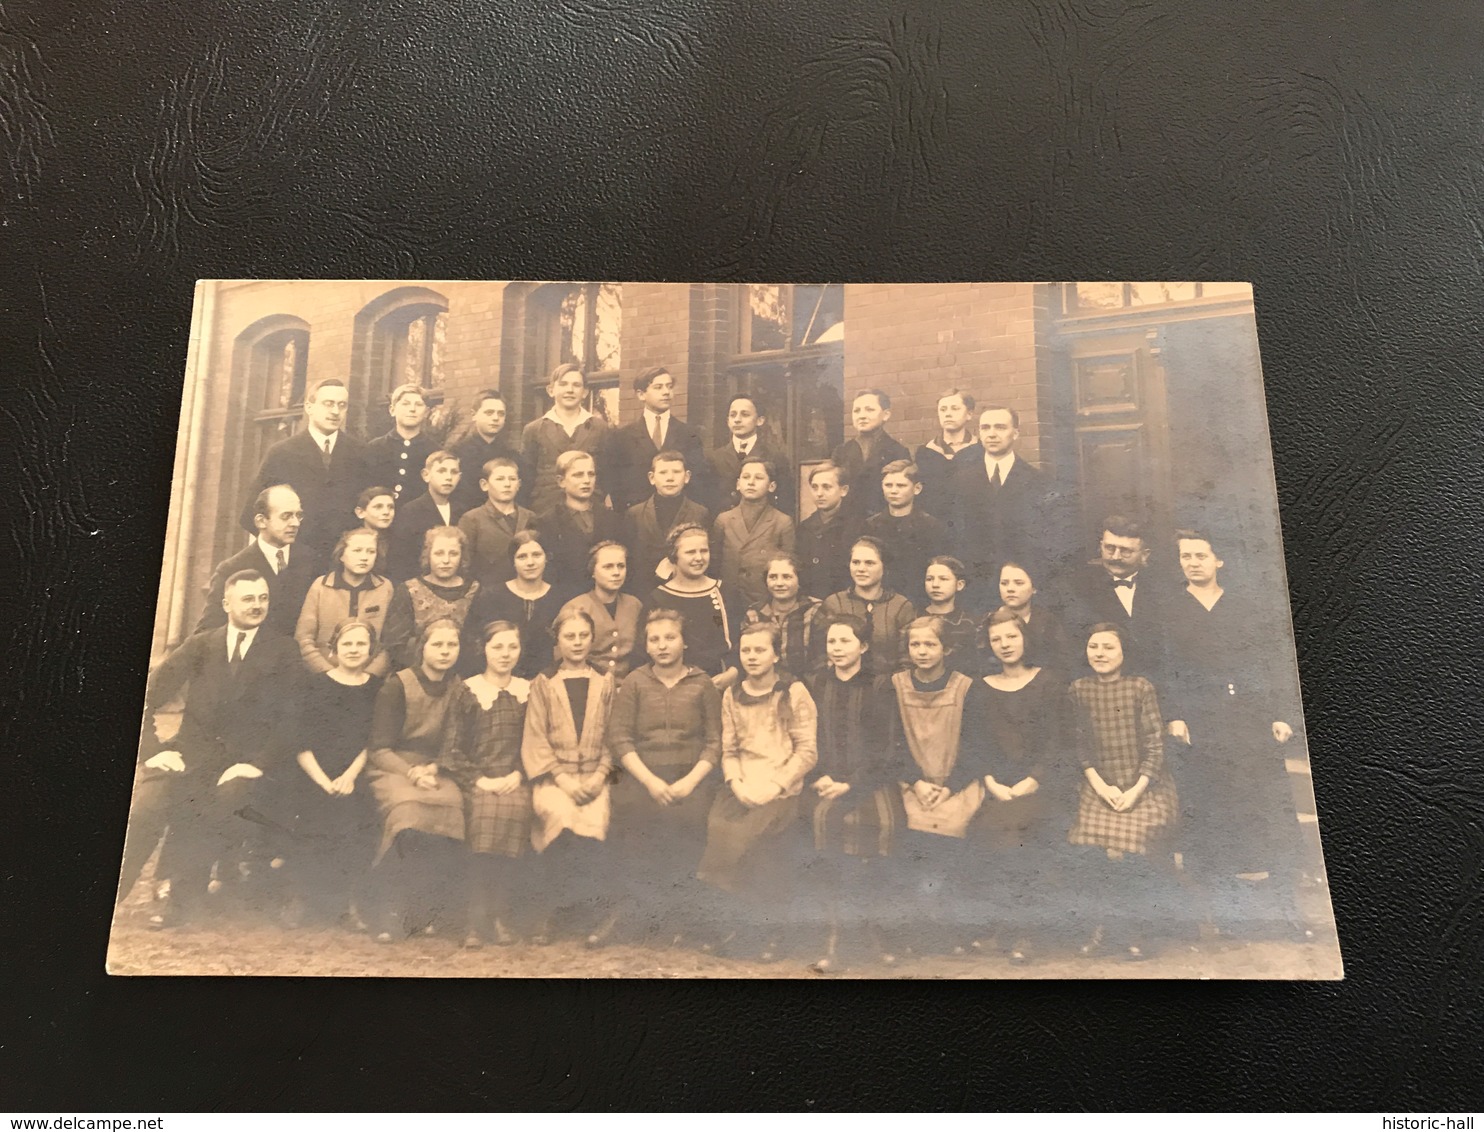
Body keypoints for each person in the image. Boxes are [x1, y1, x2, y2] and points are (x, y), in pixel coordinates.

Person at [123, 570, 301, 928]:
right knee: (145, 809)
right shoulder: (201, 644)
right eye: (248, 598)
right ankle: (108, 894)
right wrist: (153, 749)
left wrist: (258, 763)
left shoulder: (283, 650)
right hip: (188, 756)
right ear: (226, 604)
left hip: (244, 763)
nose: (256, 606)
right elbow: (146, 696)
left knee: (211, 805)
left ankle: (180, 899)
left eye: (262, 598)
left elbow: (293, 719)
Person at [1160, 530, 1308, 941]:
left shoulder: (1244, 606)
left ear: (1218, 561)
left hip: (1249, 717)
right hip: (1201, 724)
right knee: (1213, 815)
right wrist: (1174, 716)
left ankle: (1285, 909)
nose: (1192, 562)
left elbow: (1269, 656)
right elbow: (1165, 664)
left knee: (1268, 809)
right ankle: (1226, 915)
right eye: (1185, 556)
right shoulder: (1170, 609)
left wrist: (1279, 714)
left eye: (1201, 555)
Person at [698, 622, 818, 961]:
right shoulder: (731, 694)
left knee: (762, 842)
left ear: (776, 654)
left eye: (760, 650)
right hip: (742, 783)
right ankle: (739, 926)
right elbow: (730, 749)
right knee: (721, 828)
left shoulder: (793, 691)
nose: (752, 657)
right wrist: (736, 782)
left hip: (780, 785)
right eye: (746, 650)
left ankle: (772, 931)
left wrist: (774, 785)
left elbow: (807, 752)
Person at [606, 608, 723, 945]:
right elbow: (620, 738)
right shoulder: (635, 682)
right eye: (654, 639)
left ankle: (680, 918)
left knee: (690, 823)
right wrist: (650, 781)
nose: (662, 645)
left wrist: (689, 781)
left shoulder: (702, 684)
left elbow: (714, 742)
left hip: (691, 775)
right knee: (634, 820)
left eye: (670, 637)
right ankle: (638, 916)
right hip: (644, 773)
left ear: (684, 642)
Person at [1066, 622, 1180, 961]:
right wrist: (1101, 787)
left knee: (1133, 845)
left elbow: (1155, 745)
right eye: (1093, 647)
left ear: (1123, 652)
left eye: (1108, 647)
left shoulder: (1140, 687)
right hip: (1098, 785)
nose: (1099, 654)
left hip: (1146, 785)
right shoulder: (1079, 689)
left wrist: (1136, 789)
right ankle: (1102, 926)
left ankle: (1136, 929)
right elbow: (1078, 746)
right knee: (1091, 844)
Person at [804, 613, 906, 972]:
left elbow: (886, 746)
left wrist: (852, 783)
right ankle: (834, 937)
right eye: (831, 641)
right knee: (822, 822)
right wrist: (820, 776)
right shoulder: (816, 681)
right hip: (825, 779)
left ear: (863, 646)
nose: (836, 648)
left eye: (845, 641)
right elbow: (806, 736)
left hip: (869, 780)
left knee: (882, 827)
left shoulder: (880, 685)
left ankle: (871, 931)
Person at [891, 616, 996, 954]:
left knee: (954, 829)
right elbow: (891, 744)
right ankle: (913, 928)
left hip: (956, 783)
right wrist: (917, 782)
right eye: (915, 644)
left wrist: (949, 786)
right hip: (911, 783)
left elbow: (977, 745)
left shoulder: (967, 687)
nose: (921, 651)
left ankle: (953, 928)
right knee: (905, 828)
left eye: (930, 644)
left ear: (946, 648)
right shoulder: (894, 685)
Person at [974, 608, 1072, 964]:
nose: (1004, 645)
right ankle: (1011, 921)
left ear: (1025, 638)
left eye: (1011, 637)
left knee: (1022, 831)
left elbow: (1059, 742)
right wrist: (990, 781)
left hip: (1042, 785)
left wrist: (1035, 779)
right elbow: (977, 743)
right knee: (992, 830)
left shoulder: (1049, 682)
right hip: (999, 787)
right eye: (996, 639)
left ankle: (1029, 930)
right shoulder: (981, 687)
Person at [365, 618, 468, 941]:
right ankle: (391, 911)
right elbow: (379, 748)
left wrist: (434, 770)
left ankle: (431, 911)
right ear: (422, 648)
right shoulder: (398, 684)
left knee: (451, 806)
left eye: (451, 645)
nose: (445, 651)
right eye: (437, 644)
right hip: (395, 767)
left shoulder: (460, 687)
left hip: (437, 769)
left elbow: (456, 744)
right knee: (407, 811)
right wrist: (411, 773)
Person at [522, 609, 619, 945]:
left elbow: (614, 737)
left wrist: (599, 776)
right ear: (558, 640)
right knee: (560, 818)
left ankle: (590, 914)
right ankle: (551, 912)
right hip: (555, 778)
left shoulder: (606, 682)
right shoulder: (543, 683)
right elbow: (535, 739)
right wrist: (562, 779)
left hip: (595, 776)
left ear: (592, 640)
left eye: (583, 636)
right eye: (569, 636)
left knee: (595, 823)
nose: (577, 643)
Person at [283, 618, 382, 927]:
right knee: (312, 810)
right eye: (347, 644)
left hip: (359, 772)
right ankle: (306, 900)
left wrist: (350, 776)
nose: (354, 650)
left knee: (358, 814)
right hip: (315, 772)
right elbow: (301, 742)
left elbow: (376, 741)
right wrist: (325, 781)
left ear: (371, 649)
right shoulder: (315, 684)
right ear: (334, 649)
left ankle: (348, 904)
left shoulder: (378, 688)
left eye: (361, 644)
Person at [447, 620, 532, 948]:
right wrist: (479, 779)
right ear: (483, 648)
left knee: (514, 810)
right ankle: (475, 918)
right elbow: (453, 748)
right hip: (477, 779)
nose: (505, 654)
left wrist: (518, 774)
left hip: (513, 779)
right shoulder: (467, 690)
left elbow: (537, 742)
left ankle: (499, 915)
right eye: (497, 647)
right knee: (483, 815)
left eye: (512, 646)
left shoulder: (527, 690)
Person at [239, 376, 370, 560]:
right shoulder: (282, 453)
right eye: (328, 403)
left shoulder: (360, 453)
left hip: (344, 564)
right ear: (309, 407)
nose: (335, 411)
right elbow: (252, 514)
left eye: (342, 405)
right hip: (295, 564)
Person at [950, 405, 1063, 604]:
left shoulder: (1037, 481)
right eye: (985, 428)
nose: (992, 434)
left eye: (1000, 427)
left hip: (1018, 588)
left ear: (1015, 433)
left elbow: (1043, 541)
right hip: (974, 588)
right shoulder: (961, 480)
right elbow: (956, 535)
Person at [197, 484, 316, 637]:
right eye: (286, 516)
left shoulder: (312, 561)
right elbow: (207, 631)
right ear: (261, 521)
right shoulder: (232, 569)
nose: (295, 523)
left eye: (298, 515)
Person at [1066, 515, 1169, 678]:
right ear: (1101, 546)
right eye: (1109, 548)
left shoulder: (1164, 588)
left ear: (1145, 555)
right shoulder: (1077, 588)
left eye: (1125, 551)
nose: (1115, 557)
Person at [642, 523, 742, 687]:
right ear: (674, 556)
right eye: (690, 552)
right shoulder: (659, 598)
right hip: (673, 683)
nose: (699, 558)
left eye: (704, 551)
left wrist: (733, 672)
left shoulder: (725, 592)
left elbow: (738, 640)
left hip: (718, 680)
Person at [602, 366, 709, 515]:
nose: (666, 392)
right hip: (637, 520)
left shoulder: (689, 435)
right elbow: (615, 484)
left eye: (669, 387)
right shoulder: (622, 437)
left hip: (678, 515)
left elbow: (698, 481)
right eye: (658, 387)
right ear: (641, 395)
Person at [295, 526, 394, 676]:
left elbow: (390, 643)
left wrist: (370, 674)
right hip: (325, 676)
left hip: (370, 678)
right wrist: (326, 672)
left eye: (371, 551)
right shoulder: (321, 586)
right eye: (357, 550)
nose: (364, 557)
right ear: (341, 555)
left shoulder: (384, 588)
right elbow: (303, 639)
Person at [381, 526, 482, 671]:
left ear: (462, 556)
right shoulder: (409, 590)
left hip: (463, 672)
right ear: (428, 555)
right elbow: (396, 644)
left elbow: (477, 642)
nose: (446, 560)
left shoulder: (474, 590)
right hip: (417, 672)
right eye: (439, 553)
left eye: (453, 554)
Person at [471, 529, 565, 681]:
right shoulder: (491, 597)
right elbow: (476, 645)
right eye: (522, 557)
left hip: (549, 682)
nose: (530, 563)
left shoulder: (560, 599)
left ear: (546, 557)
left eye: (536, 555)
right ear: (513, 561)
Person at [818, 536, 916, 677]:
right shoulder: (834, 603)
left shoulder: (901, 606)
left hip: (889, 688)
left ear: (884, 567)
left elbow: (907, 658)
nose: (861, 569)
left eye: (869, 563)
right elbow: (821, 655)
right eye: (856, 562)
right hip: (843, 686)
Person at [535, 450, 625, 599]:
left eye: (591, 474)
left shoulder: (612, 519)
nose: (586, 480)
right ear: (561, 481)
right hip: (566, 600)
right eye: (578, 475)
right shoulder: (547, 522)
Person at [521, 363, 608, 515]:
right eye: (563, 384)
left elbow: (609, 474)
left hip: (589, 511)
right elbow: (527, 477)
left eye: (576, 385)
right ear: (551, 390)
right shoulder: (534, 430)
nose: (570, 390)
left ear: (585, 392)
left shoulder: (600, 428)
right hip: (545, 511)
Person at [711, 456, 796, 607]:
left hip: (765, 603)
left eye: (758, 477)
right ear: (738, 484)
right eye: (746, 477)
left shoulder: (782, 522)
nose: (751, 482)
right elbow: (714, 566)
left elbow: (788, 568)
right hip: (729, 600)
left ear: (771, 486)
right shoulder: (723, 520)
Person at [624, 449, 710, 593]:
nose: (670, 478)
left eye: (676, 472)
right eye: (663, 473)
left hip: (686, 588)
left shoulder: (700, 513)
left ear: (687, 477)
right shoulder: (635, 514)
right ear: (652, 478)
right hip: (645, 589)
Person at [863, 459, 950, 598]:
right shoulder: (870, 526)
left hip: (917, 597)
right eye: (888, 485)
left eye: (901, 485)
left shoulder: (932, 527)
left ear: (917, 489)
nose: (893, 491)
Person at [558, 541, 644, 680]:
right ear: (593, 571)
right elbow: (562, 657)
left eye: (621, 566)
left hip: (627, 689)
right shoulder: (576, 607)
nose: (616, 572)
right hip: (588, 685)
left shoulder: (634, 605)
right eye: (608, 567)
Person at [705, 392, 794, 517]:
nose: (737, 420)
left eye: (745, 414)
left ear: (760, 420)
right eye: (733, 415)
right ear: (727, 421)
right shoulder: (714, 458)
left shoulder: (774, 456)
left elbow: (786, 500)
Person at [385, 450, 468, 582]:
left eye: (453, 472)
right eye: (441, 471)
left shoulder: (463, 511)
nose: (448, 477)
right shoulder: (411, 511)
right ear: (426, 475)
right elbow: (400, 560)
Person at [457, 456, 538, 590]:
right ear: (484, 485)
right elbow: (464, 563)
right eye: (500, 479)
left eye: (512, 479)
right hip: (487, 591)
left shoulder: (530, 517)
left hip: (526, 589)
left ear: (519, 484)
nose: (507, 484)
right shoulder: (472, 519)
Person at [831, 389, 909, 527]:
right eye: (857, 411)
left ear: (886, 415)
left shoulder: (897, 451)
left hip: (883, 524)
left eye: (869, 410)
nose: (862, 416)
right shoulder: (841, 451)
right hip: (846, 524)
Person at [740, 552, 821, 677]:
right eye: (773, 577)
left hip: (807, 686)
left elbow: (821, 661)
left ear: (799, 579)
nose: (779, 583)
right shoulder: (755, 613)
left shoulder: (815, 610)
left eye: (787, 577)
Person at [452, 390, 528, 513]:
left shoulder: (511, 455)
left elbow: (521, 494)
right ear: (474, 415)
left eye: (501, 414)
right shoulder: (457, 453)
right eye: (489, 413)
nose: (495, 418)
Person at [997, 559, 1077, 673]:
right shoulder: (989, 622)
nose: (1010, 589)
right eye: (1004, 583)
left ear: (1034, 588)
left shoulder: (1048, 623)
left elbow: (1062, 665)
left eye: (1019, 583)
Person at [796, 460, 860, 600]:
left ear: (843, 490)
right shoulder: (804, 528)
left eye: (826, 487)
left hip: (844, 602)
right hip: (809, 602)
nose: (819, 493)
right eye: (815, 487)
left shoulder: (856, 527)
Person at [914, 388, 980, 522]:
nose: (948, 414)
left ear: (969, 414)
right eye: (943, 409)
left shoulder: (980, 450)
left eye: (955, 409)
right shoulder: (926, 452)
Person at [364, 383, 437, 503]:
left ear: (426, 413)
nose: (412, 409)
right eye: (405, 404)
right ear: (392, 410)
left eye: (418, 405)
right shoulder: (374, 448)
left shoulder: (434, 451)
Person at [921, 556, 981, 673]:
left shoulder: (969, 623)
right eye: (929, 579)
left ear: (959, 585)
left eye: (943, 579)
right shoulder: (914, 618)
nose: (935, 584)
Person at [353, 485, 397, 572]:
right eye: (378, 507)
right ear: (360, 512)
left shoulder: (401, 542)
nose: (386, 512)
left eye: (391, 507)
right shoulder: (351, 543)